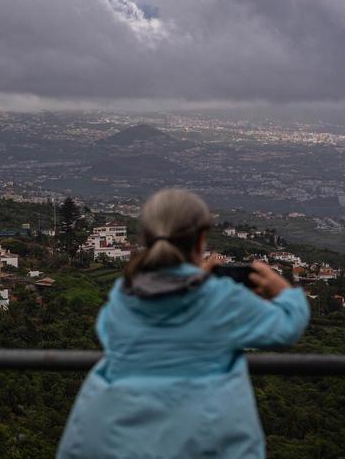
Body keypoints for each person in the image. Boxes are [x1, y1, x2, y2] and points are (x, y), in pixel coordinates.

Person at [56, 188, 309, 459]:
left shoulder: (126, 293)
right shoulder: (219, 298)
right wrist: (285, 292)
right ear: (201, 239)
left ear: (146, 237)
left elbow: (107, 329)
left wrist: (189, 280)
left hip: (115, 434)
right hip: (202, 438)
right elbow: (286, 327)